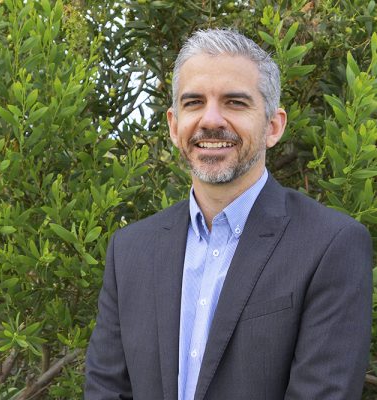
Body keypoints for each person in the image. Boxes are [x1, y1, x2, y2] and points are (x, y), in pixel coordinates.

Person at [84, 29, 373, 400]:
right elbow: (106, 390)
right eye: (194, 103)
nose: (210, 120)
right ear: (173, 125)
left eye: (235, 103)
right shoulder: (130, 251)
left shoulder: (330, 246)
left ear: (273, 126)